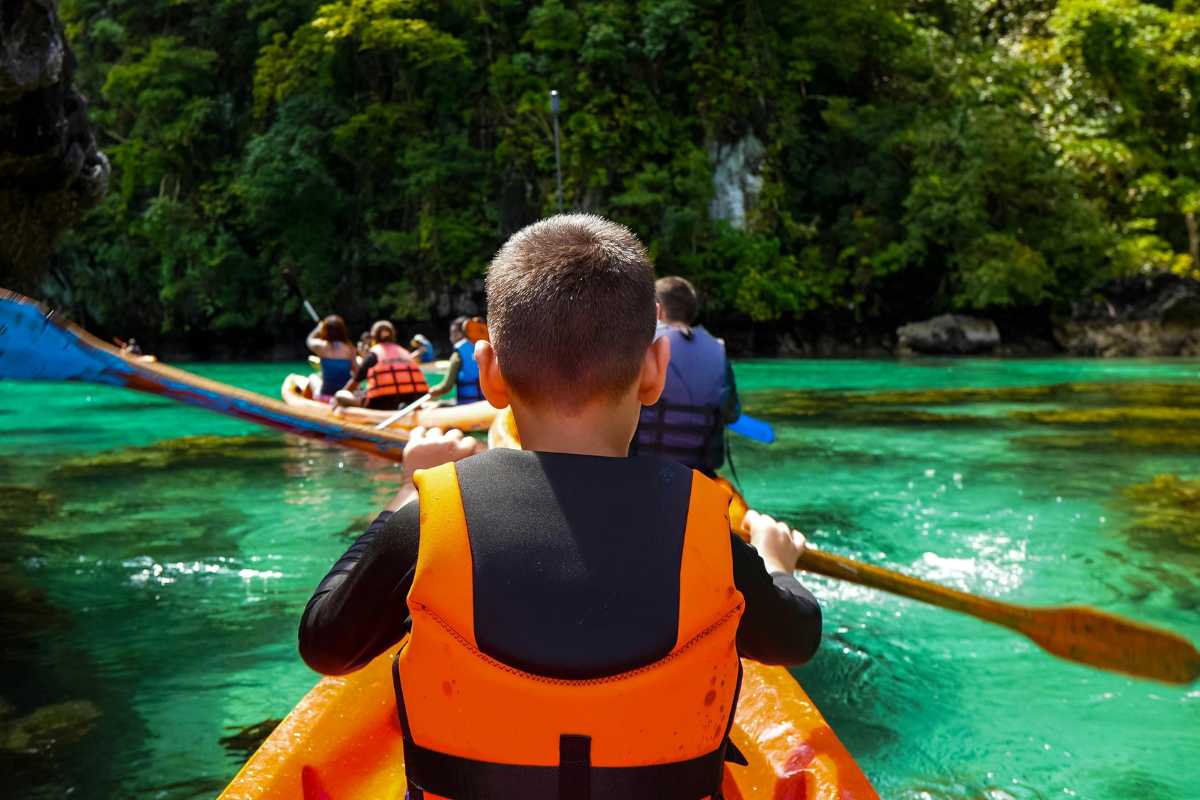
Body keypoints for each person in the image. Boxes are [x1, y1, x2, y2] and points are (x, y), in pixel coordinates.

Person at [299, 214, 820, 800]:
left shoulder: (430, 517)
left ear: (489, 374)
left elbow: (325, 644)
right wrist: (779, 566)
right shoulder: (706, 528)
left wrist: (406, 493)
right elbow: (796, 638)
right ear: (655, 370)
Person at [629, 276, 741, 476]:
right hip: (698, 476)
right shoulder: (717, 351)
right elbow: (732, 415)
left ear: (658, 309)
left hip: (643, 473)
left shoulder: (641, 346)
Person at [338, 320, 430, 410]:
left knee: (340, 395)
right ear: (393, 336)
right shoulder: (405, 353)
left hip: (381, 404)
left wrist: (342, 394)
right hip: (412, 402)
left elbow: (353, 384)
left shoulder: (373, 355)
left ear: (374, 338)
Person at [427, 316, 483, 405]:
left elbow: (446, 387)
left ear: (460, 334)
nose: (450, 338)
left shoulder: (458, 354)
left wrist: (432, 391)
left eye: (452, 333)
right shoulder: (484, 346)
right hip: (487, 402)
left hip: (468, 404)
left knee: (439, 404)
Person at [305, 315, 357, 402]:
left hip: (325, 396)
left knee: (312, 377)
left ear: (325, 330)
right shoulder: (350, 349)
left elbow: (309, 340)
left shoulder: (320, 346)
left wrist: (318, 328)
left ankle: (310, 402)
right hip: (345, 395)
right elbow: (357, 372)